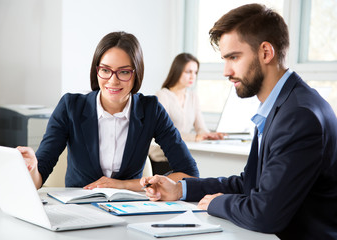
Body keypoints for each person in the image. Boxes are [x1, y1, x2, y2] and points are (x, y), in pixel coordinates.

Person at [141, 4, 337, 239]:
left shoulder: (298, 116)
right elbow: (250, 183)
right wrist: (180, 189)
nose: (226, 71)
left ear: (266, 52)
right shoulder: (280, 106)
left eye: (234, 57)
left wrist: (218, 202)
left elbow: (265, 214)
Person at [18, 31, 199, 192]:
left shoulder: (151, 109)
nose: (113, 81)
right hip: (79, 212)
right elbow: (37, 181)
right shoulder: (70, 106)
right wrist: (32, 168)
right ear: (96, 71)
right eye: (105, 70)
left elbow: (190, 174)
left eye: (124, 72)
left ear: (136, 73)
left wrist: (124, 185)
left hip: (132, 213)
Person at [148, 53, 224, 167]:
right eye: (188, 72)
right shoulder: (162, 96)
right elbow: (164, 133)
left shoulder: (193, 97)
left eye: (195, 72)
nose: (192, 76)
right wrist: (194, 138)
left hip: (182, 153)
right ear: (177, 71)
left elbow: (201, 128)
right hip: (161, 156)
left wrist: (209, 135)